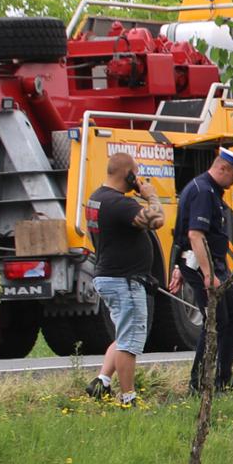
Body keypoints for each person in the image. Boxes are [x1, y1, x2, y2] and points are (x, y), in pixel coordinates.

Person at [83, 153, 165, 407]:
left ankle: (102, 381)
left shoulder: (96, 198)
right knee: (130, 342)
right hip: (124, 281)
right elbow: (157, 220)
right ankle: (128, 398)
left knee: (123, 333)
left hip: (110, 276)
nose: (138, 178)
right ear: (128, 174)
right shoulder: (119, 204)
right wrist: (150, 194)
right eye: (136, 173)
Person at [170, 149, 233, 393]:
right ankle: (199, 382)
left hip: (211, 264)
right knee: (216, 320)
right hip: (202, 266)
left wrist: (178, 266)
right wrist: (209, 276)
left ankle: (223, 376)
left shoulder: (208, 189)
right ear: (223, 169)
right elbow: (195, 235)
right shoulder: (203, 192)